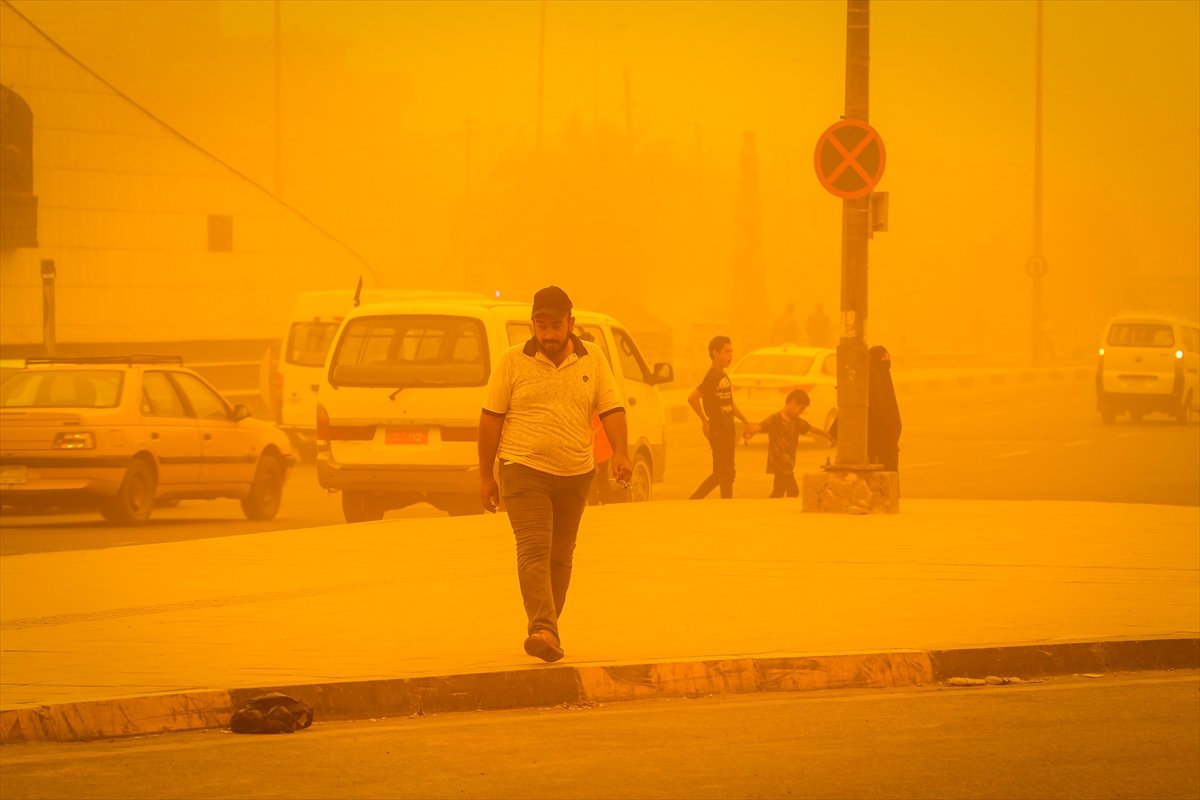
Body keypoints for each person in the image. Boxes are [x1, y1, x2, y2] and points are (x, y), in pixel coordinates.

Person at [478, 286, 631, 663]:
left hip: (576, 473)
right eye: (540, 325)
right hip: (522, 469)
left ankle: (547, 631)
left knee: (561, 557)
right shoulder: (512, 362)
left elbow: (611, 408)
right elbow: (490, 419)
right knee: (534, 550)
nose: (547, 334)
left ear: (571, 324)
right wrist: (486, 476)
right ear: (532, 324)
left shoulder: (592, 359)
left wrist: (621, 453)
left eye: (555, 326)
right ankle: (543, 627)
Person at [688, 335, 755, 499]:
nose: (730, 356)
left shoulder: (724, 377)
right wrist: (705, 421)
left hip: (728, 429)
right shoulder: (712, 377)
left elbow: (730, 405)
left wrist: (746, 421)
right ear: (715, 353)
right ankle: (694, 500)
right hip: (718, 430)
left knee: (728, 473)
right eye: (726, 352)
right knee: (721, 473)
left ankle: (726, 504)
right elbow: (692, 398)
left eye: (731, 351)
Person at [744, 388, 833, 498]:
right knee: (793, 491)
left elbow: (810, 429)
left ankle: (774, 510)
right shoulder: (774, 419)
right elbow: (760, 426)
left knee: (778, 491)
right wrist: (749, 434)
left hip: (788, 463)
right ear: (793, 402)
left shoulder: (796, 421)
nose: (800, 412)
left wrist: (826, 435)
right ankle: (786, 511)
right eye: (800, 409)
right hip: (779, 463)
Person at [866, 344, 902, 471]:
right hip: (876, 444)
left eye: (888, 357)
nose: (887, 361)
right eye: (883, 358)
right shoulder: (870, 384)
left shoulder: (885, 380)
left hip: (889, 442)